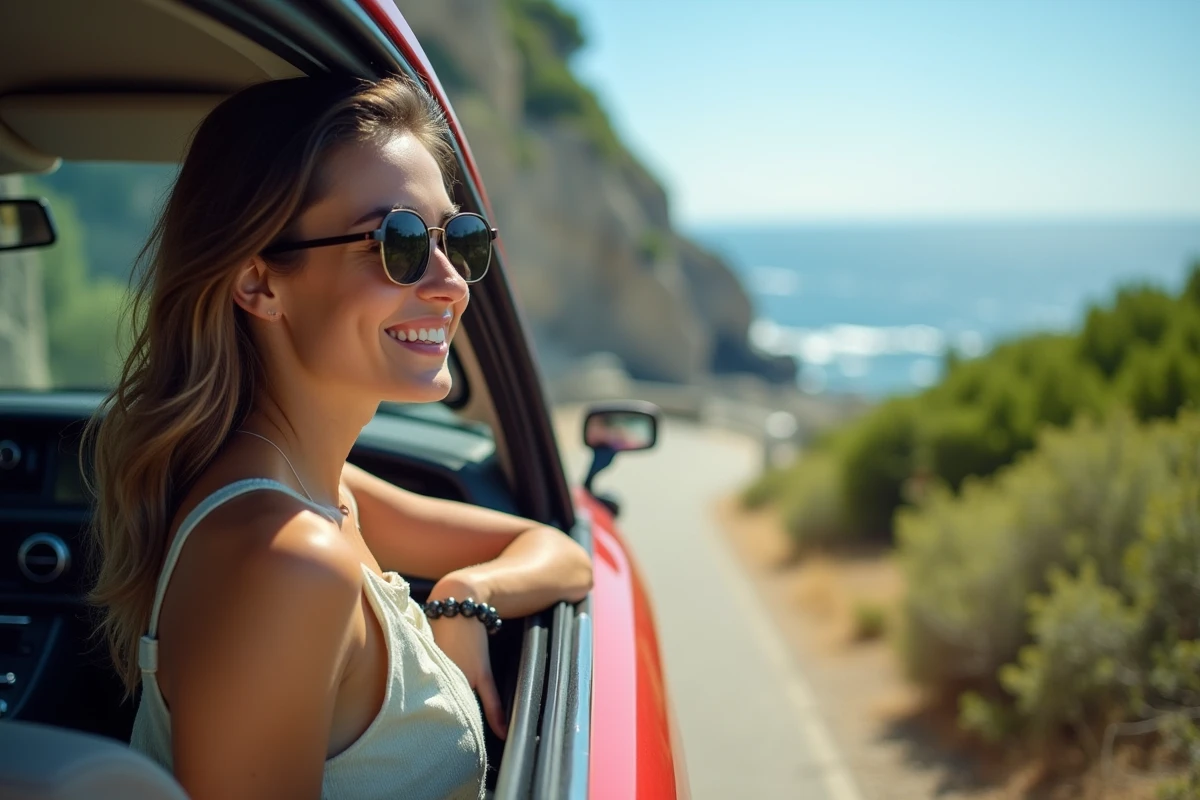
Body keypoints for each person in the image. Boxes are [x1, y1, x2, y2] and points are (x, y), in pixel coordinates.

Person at [83, 74, 592, 800]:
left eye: (460, 238)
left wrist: (465, 596)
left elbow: (561, 555)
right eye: (399, 242)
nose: (451, 283)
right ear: (260, 283)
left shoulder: (319, 490)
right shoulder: (291, 558)